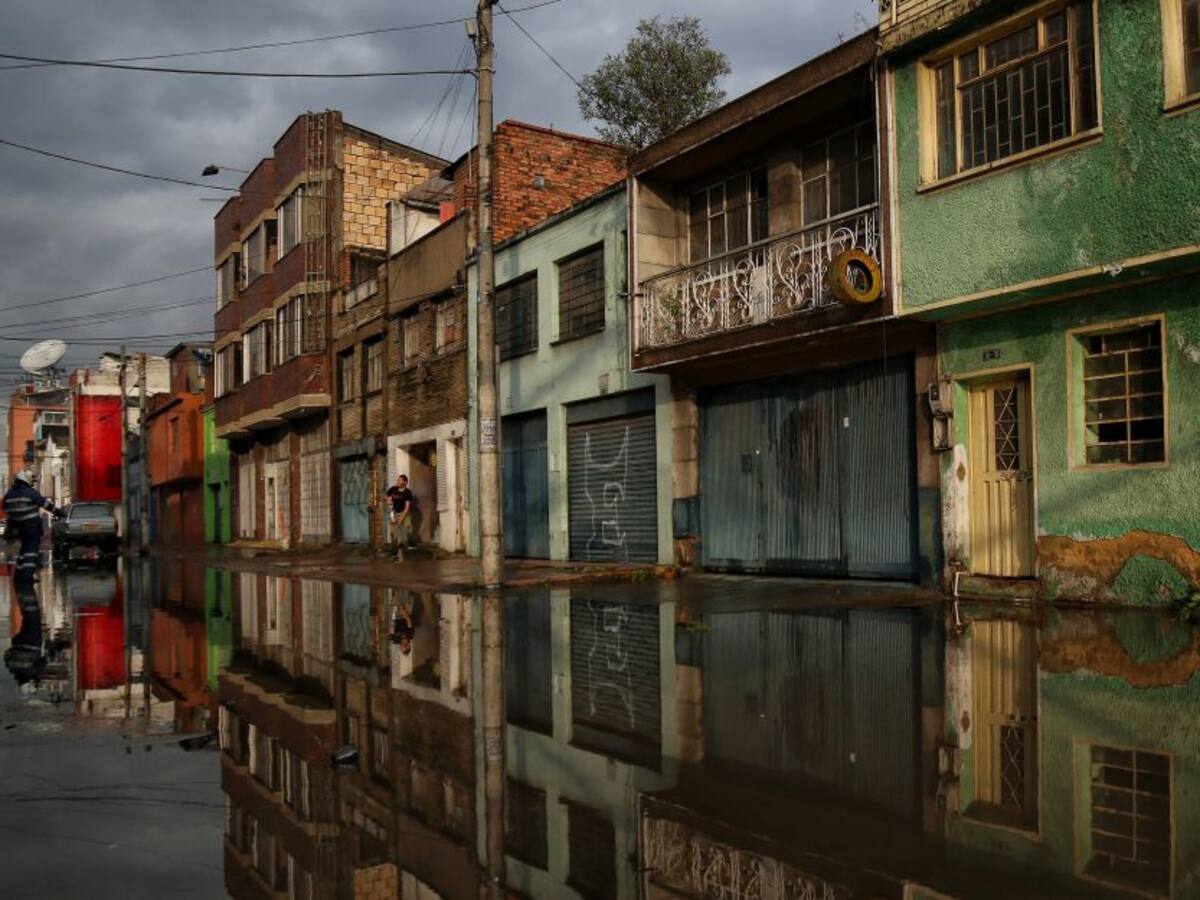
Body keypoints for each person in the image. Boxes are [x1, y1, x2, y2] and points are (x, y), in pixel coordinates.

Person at [3, 471, 60, 580]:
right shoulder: (30, 492)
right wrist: (58, 512)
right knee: (31, 551)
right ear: (26, 479)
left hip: (16, 526)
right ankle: (26, 576)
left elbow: (5, 507)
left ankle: (19, 575)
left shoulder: (9, 494)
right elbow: (45, 504)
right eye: (32, 480)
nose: (32, 483)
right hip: (31, 527)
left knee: (23, 551)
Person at [385, 474, 415, 559]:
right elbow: (387, 497)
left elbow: (407, 507)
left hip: (404, 513)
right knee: (393, 533)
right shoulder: (393, 489)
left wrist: (402, 518)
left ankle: (408, 545)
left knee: (408, 531)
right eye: (397, 480)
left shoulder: (408, 492)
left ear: (405, 482)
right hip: (393, 513)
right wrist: (388, 500)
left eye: (399, 480)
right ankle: (394, 552)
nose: (397, 482)